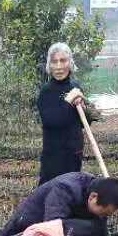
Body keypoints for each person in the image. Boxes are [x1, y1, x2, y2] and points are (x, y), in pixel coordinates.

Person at [0, 172, 118, 236]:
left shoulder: (98, 191)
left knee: (94, 228)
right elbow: (52, 228)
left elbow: (100, 233)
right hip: (23, 232)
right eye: (104, 213)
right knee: (89, 228)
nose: (103, 217)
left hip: (53, 227)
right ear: (93, 197)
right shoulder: (64, 189)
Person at [37, 43, 99, 186]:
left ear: (70, 63)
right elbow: (51, 121)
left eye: (63, 60)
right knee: (51, 191)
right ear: (49, 65)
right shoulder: (46, 91)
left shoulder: (75, 86)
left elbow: (82, 123)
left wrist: (85, 110)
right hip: (54, 154)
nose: (59, 66)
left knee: (71, 190)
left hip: (74, 151)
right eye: (54, 62)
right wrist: (68, 101)